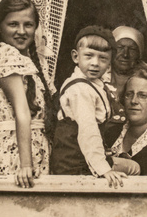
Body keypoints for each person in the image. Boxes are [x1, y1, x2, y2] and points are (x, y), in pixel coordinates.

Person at [51, 25, 140, 188]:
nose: (95, 64)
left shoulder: (93, 85)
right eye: (89, 56)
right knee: (133, 169)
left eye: (103, 59)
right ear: (75, 57)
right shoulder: (81, 90)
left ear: (109, 63)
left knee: (132, 166)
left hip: (82, 155)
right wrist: (104, 169)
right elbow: (87, 130)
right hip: (73, 163)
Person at [0, 0, 51, 188]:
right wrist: (25, 165)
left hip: (32, 148)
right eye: (13, 24)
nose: (21, 31)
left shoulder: (26, 60)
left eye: (28, 25)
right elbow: (22, 113)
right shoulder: (5, 55)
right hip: (14, 153)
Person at [109, 26, 147, 96]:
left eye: (132, 49)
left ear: (139, 54)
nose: (125, 54)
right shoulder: (98, 76)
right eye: (120, 48)